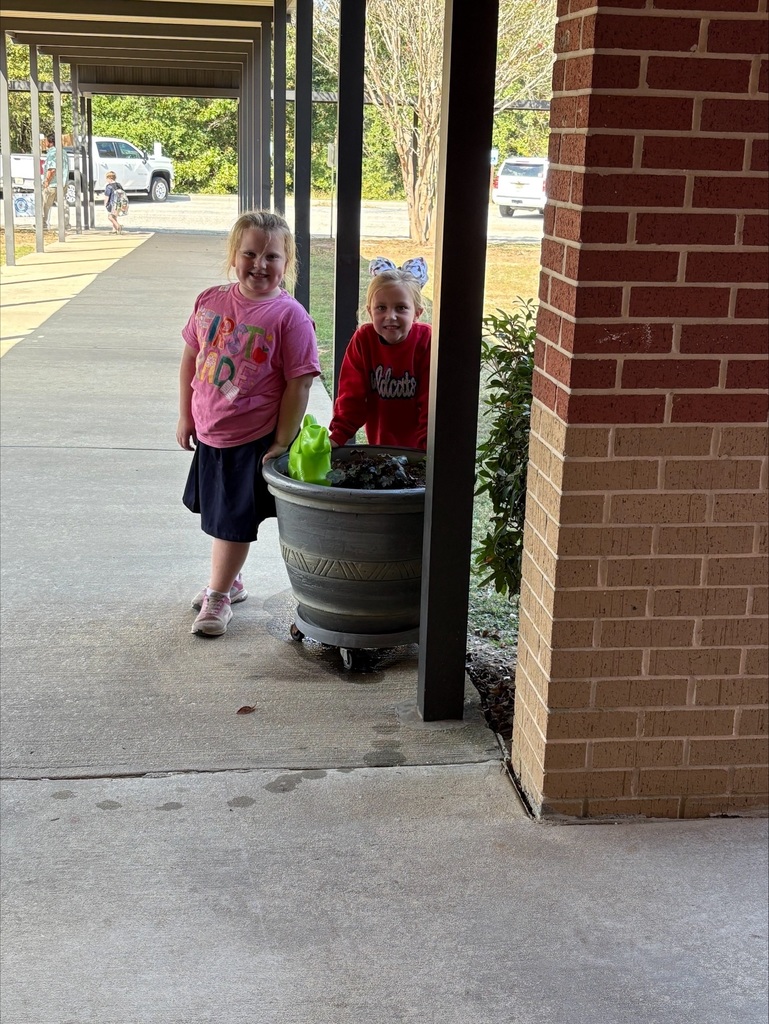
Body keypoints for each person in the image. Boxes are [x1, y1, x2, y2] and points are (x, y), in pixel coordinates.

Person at [177, 210, 321, 637]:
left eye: (272, 257)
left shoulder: (289, 317)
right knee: (221, 515)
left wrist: (282, 439)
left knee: (232, 522)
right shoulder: (210, 301)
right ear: (234, 256)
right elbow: (191, 356)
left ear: (287, 263)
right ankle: (230, 582)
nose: (260, 264)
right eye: (250, 253)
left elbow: (299, 383)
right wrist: (186, 413)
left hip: (251, 438)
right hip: (210, 433)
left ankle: (218, 595)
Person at [328, 257, 431, 450]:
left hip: (421, 451)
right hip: (380, 447)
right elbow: (352, 396)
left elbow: (429, 402)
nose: (390, 316)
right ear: (370, 311)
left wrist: (427, 451)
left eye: (401, 308)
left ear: (417, 313)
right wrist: (338, 436)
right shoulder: (363, 340)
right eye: (381, 308)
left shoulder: (426, 341)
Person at [41, 133, 63, 229]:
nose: (44, 142)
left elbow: (52, 169)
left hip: (51, 183)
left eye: (46, 140)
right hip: (59, 182)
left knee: (45, 204)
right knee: (62, 204)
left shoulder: (52, 153)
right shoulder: (60, 152)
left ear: (50, 142)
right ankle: (65, 225)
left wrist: (47, 181)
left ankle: (43, 223)